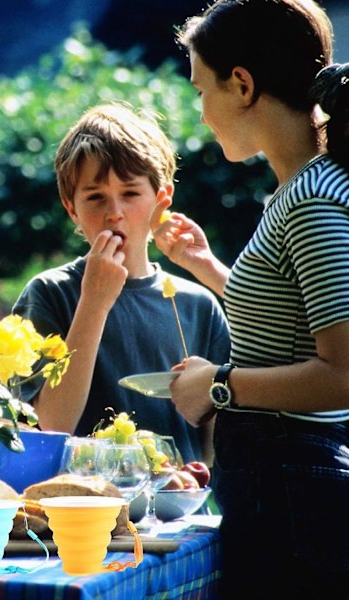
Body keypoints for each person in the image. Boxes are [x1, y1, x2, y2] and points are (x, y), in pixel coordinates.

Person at [150, 1, 349, 597]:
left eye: (201, 89)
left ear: (241, 84)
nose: (201, 113)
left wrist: (220, 385)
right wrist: (208, 268)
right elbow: (287, 325)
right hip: (286, 481)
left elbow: (343, 372)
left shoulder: (312, 201)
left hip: (291, 486)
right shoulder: (302, 190)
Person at [12, 103, 230, 464]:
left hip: (178, 510)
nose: (114, 212)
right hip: (81, 510)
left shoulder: (198, 305)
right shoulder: (48, 294)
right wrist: (94, 302)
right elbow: (50, 426)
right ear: (71, 209)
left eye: (130, 193)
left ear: (162, 201)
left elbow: (216, 442)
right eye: (95, 197)